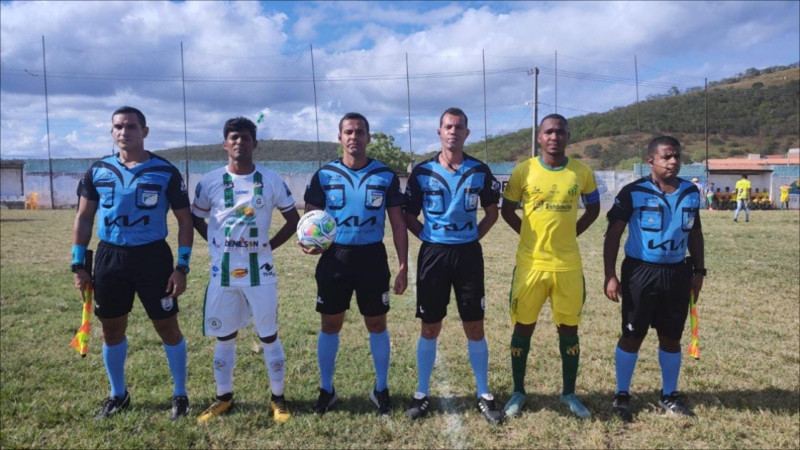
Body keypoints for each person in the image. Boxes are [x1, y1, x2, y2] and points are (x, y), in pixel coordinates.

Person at [72, 106, 194, 420]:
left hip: (153, 258)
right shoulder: (98, 170)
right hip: (110, 258)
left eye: (131, 127)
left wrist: (181, 267)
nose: (123, 132)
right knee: (111, 330)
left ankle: (180, 395)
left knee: (167, 327)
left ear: (145, 131)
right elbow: (84, 217)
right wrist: (79, 264)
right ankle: (118, 394)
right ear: (112, 131)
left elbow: (184, 220)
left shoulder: (165, 171)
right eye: (117, 127)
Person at [191, 117, 300, 424]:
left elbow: (293, 220)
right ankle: (223, 397)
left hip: (260, 272)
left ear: (255, 143)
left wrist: (270, 246)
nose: (239, 142)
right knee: (224, 336)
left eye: (245, 137)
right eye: (234, 137)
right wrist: (215, 244)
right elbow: (196, 218)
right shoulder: (210, 181)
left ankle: (278, 399)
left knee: (269, 335)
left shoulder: (272, 180)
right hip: (223, 273)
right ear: (225, 143)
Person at [302, 112, 408, 416]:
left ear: (368, 137)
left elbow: (398, 225)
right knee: (330, 323)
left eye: (360, 132)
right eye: (348, 132)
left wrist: (403, 266)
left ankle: (381, 388)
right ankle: (326, 389)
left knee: (376, 323)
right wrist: (309, 243)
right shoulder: (324, 175)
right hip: (335, 257)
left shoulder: (384, 175)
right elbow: (310, 219)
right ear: (340, 137)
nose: (354, 137)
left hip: (372, 257)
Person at [404, 107, 504, 424]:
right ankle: (421, 393)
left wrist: (473, 236)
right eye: (448, 126)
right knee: (430, 325)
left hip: (468, 256)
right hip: (434, 255)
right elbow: (408, 215)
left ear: (467, 133)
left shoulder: (479, 170)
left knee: (474, 324)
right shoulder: (422, 172)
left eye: (459, 127)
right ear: (439, 131)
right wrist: (428, 236)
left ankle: (484, 393)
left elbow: (492, 212)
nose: (453, 131)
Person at [501, 113, 601, 419]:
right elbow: (507, 211)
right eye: (549, 132)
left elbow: (594, 208)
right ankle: (518, 391)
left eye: (560, 132)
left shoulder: (581, 172)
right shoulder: (524, 171)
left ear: (568, 136)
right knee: (523, 327)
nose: (554, 137)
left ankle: (569, 393)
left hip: (567, 266)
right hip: (530, 265)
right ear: (539, 137)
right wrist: (529, 236)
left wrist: (571, 234)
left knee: (568, 329)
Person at [603, 136, 705, 422]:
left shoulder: (690, 192)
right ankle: (622, 394)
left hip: (677, 273)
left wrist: (699, 270)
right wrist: (610, 275)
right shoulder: (632, 192)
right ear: (651, 160)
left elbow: (695, 233)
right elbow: (612, 235)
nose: (673, 162)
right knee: (633, 335)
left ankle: (669, 394)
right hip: (640, 272)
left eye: (677, 157)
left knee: (671, 337)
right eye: (667, 157)